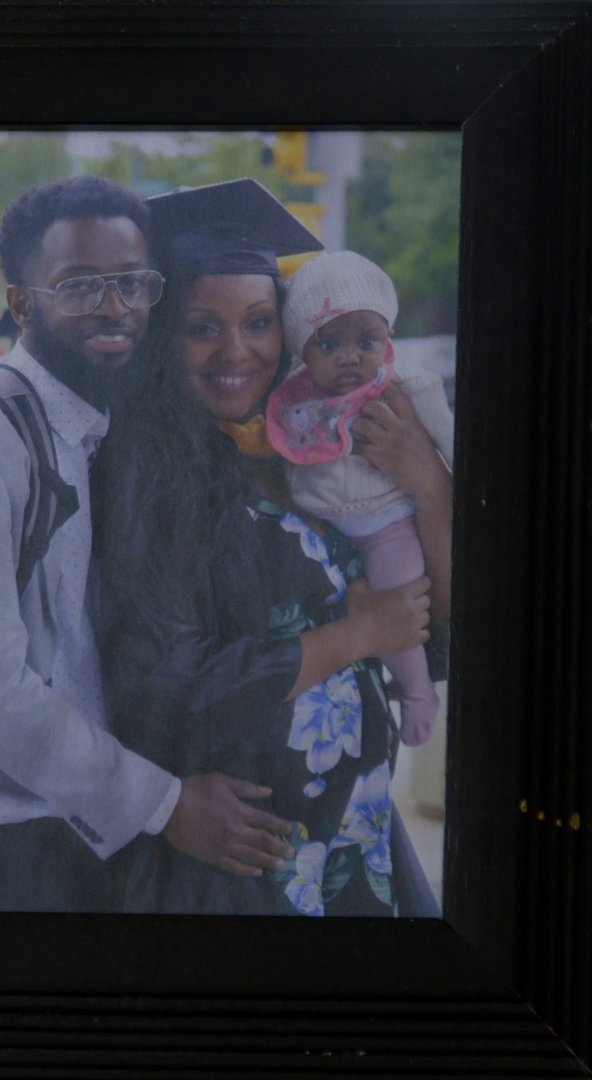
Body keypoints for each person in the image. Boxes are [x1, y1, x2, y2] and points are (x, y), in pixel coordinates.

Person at [0, 175, 293, 913]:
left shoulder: (97, 429)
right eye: (79, 285)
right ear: (20, 302)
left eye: (133, 282)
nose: (115, 307)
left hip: (90, 830)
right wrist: (166, 803)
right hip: (2, 840)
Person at [93, 179, 454, 916]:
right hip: (250, 853)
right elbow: (160, 682)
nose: (237, 351)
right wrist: (356, 635)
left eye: (258, 322)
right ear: (163, 336)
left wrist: (430, 484)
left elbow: (435, 624)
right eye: (201, 327)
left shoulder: (316, 441)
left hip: (353, 825)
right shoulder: (147, 471)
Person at [265, 251, 456, 746]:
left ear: (388, 337)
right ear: (303, 351)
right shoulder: (292, 401)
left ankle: (417, 692)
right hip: (324, 531)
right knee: (358, 612)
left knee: (398, 601)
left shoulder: (403, 389)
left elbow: (451, 442)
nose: (349, 357)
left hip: (389, 528)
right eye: (329, 344)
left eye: (366, 342)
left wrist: (444, 478)